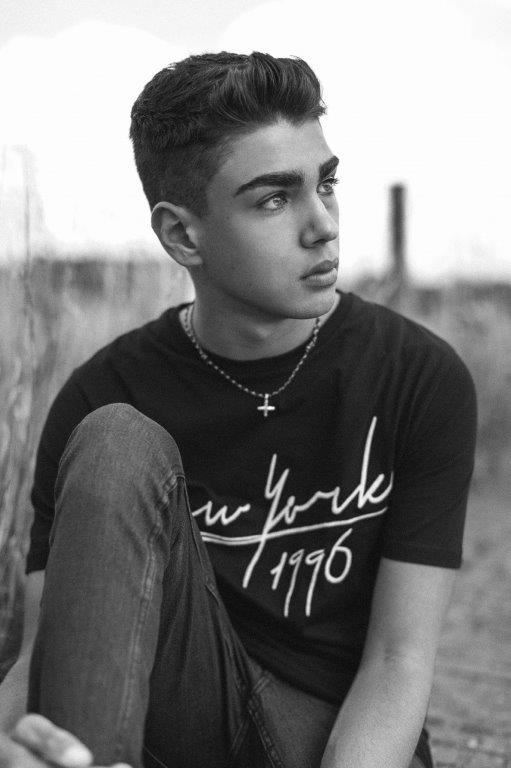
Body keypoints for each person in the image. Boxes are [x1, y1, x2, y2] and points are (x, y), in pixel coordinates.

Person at [0, 52, 477, 768]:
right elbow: (53, 648)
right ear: (182, 236)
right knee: (115, 440)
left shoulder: (416, 375)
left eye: (326, 184)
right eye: (273, 199)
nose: (322, 225)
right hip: (175, 720)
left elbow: (398, 660)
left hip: (334, 732)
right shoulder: (103, 391)